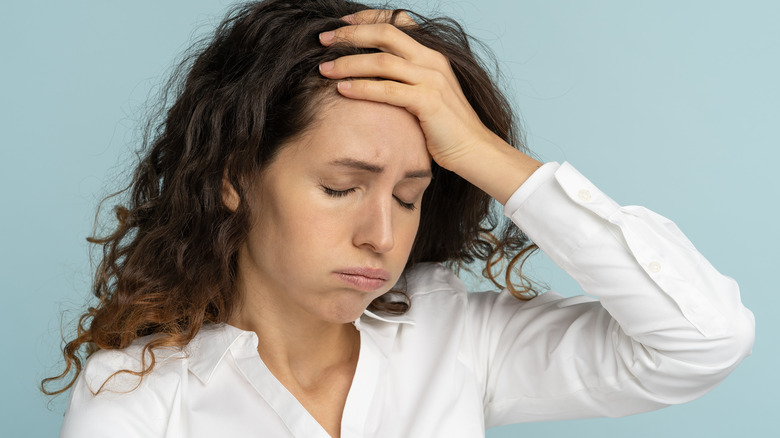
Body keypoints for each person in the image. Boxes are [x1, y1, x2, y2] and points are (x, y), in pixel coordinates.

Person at [44, 0, 755, 436]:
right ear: (235, 179)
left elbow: (700, 341)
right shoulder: (140, 395)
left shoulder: (453, 339)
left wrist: (481, 151)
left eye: (409, 196)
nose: (381, 237)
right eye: (341, 187)